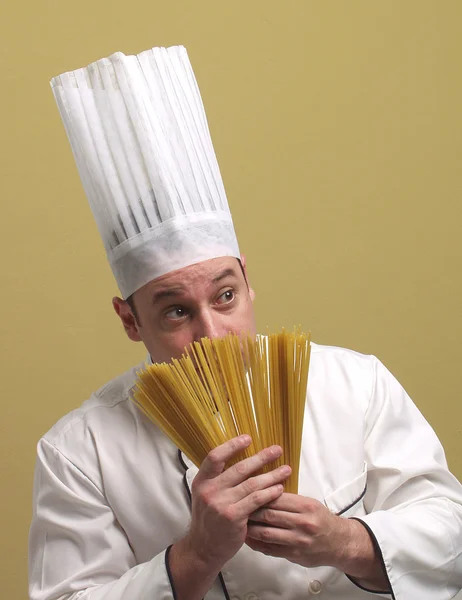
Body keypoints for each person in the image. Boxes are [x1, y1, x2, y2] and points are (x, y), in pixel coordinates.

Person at [28, 45, 462, 600]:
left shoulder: (357, 385)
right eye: (176, 311)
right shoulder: (78, 454)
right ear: (130, 320)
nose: (212, 335)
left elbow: (449, 529)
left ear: (247, 281)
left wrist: (345, 541)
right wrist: (193, 556)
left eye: (226, 296)